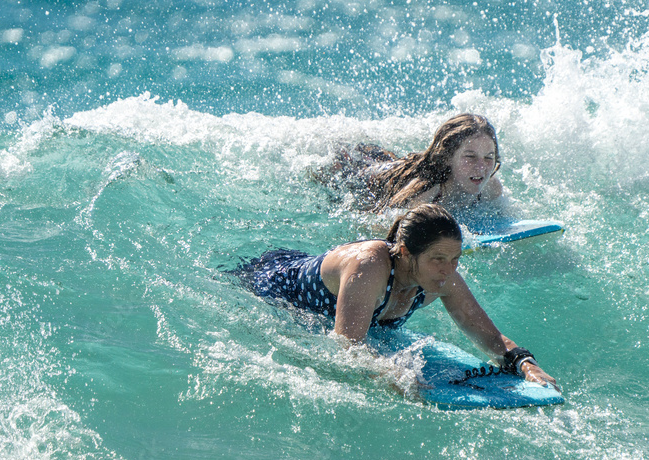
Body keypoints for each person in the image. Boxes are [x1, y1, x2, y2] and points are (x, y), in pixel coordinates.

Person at [233, 203, 558, 388]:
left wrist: (524, 364)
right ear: (404, 253)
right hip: (271, 287)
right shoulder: (369, 267)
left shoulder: (442, 277)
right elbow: (346, 346)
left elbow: (488, 336)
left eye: (455, 259)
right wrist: (393, 374)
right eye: (438, 259)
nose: (449, 270)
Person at [317, 113, 504, 213]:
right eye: (470, 156)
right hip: (363, 176)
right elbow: (380, 226)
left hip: (397, 168)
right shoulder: (427, 192)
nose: (482, 167)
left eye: (489, 157)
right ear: (448, 158)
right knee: (332, 172)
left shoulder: (491, 187)